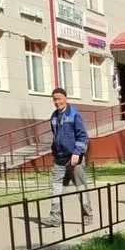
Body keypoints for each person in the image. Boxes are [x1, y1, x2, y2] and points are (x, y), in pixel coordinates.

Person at [45, 87, 94, 228]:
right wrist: (55, 153)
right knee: (56, 189)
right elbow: (56, 137)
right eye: (54, 99)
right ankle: (55, 218)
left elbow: (83, 137)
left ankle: (88, 215)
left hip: (74, 160)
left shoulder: (74, 114)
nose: (57, 102)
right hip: (59, 160)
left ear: (65, 98)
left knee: (81, 188)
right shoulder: (54, 116)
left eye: (59, 98)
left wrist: (77, 153)